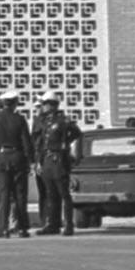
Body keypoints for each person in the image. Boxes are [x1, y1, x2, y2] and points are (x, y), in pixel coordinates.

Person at [0, 89, 34, 238]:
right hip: (17, 156)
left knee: (3, 194)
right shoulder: (19, 119)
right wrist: (29, 160)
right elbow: (26, 141)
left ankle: (2, 228)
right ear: (15, 104)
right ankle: (22, 228)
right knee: (20, 194)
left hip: (1, 156)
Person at [35, 92, 82, 235]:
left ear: (51, 105)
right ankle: (52, 224)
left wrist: (65, 144)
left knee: (63, 193)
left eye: (44, 104)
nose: (42, 107)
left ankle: (68, 224)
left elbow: (77, 133)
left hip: (59, 159)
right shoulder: (45, 121)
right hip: (47, 160)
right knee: (50, 194)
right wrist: (39, 161)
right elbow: (42, 143)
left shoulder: (63, 121)